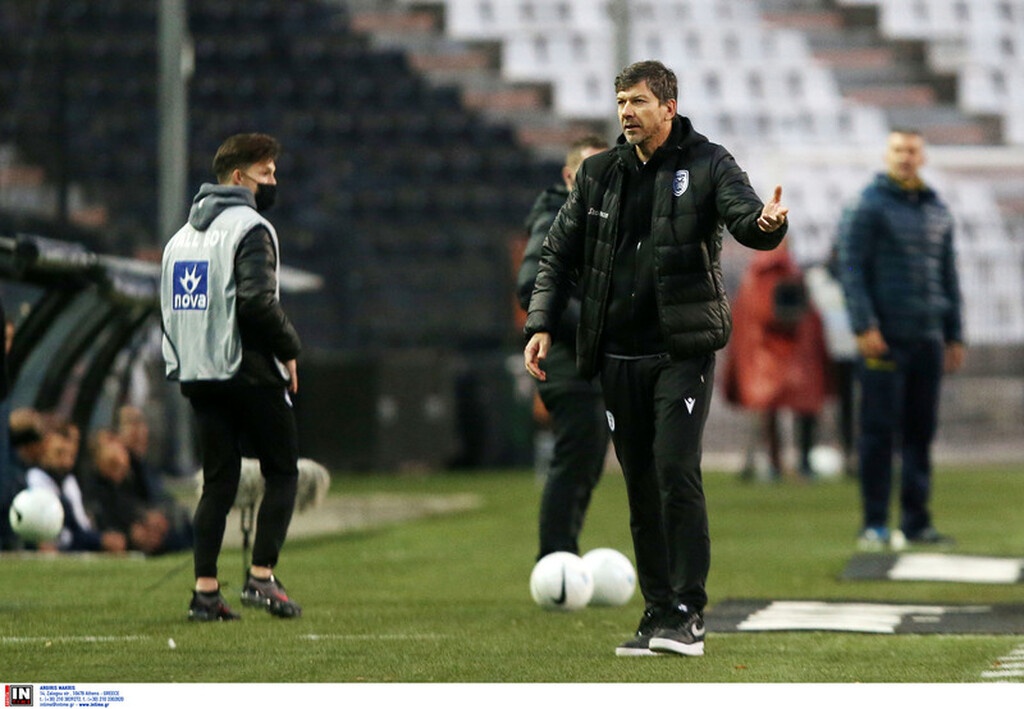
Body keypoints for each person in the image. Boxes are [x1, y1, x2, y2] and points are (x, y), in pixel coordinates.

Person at [523, 60, 788, 657]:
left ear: (668, 106)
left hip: (680, 351)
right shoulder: (598, 174)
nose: (626, 112)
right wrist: (540, 323)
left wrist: (766, 225)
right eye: (621, 102)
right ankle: (657, 610)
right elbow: (557, 254)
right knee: (640, 483)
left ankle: (689, 612)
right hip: (616, 352)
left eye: (638, 101)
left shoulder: (709, 163)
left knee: (674, 470)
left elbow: (747, 219)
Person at [160, 132, 303, 621]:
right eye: (266, 173)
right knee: (282, 471)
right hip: (249, 367)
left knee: (218, 483)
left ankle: (205, 592)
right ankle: (261, 577)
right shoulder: (251, 228)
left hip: (199, 372)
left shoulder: (180, 238)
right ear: (238, 178)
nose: (273, 181)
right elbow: (257, 302)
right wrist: (289, 348)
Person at [837, 128, 965, 552]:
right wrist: (864, 325)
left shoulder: (937, 209)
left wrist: (954, 333)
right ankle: (874, 523)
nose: (904, 156)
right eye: (897, 149)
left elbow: (947, 274)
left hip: (927, 336)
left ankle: (915, 521)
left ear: (922, 157)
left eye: (911, 150)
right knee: (878, 433)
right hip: (885, 338)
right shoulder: (867, 205)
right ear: (887, 155)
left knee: (920, 433)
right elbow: (850, 267)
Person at [516, 135, 610, 561]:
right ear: (569, 177)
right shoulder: (556, 217)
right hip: (566, 359)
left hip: (589, 360)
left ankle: (562, 554)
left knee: (586, 460)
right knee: (576, 459)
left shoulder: (605, 219)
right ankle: (555, 558)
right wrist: (593, 328)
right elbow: (532, 287)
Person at [722, 244, 830, 481]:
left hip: (770, 353)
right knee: (791, 407)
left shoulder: (757, 277)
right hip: (782, 352)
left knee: (774, 409)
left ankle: (778, 463)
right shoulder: (787, 273)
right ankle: (793, 462)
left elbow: (749, 317)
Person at [83, 429, 191, 555]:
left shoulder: (135, 474)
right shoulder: (91, 487)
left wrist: (148, 517)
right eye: (113, 465)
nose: (119, 469)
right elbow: (99, 522)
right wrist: (130, 535)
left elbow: (145, 503)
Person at [24, 423, 127, 553]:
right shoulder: (32, 480)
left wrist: (102, 539)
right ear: (45, 446)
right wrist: (99, 540)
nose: (66, 462)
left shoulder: (69, 482)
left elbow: (79, 530)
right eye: (59, 453)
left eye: (71, 456)